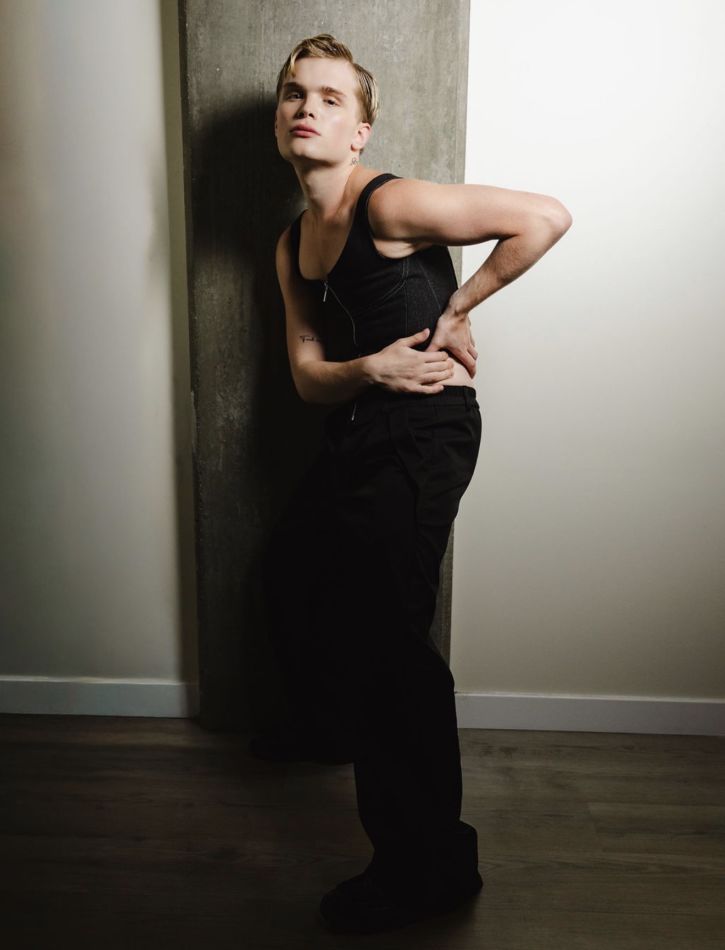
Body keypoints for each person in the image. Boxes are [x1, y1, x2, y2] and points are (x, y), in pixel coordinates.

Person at [256, 33, 572, 935]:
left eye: (329, 98)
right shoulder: (292, 244)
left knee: (387, 641)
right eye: (293, 94)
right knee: (289, 570)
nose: (306, 108)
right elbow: (307, 380)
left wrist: (456, 307)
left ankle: (428, 870)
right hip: (359, 424)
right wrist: (370, 369)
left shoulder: (388, 203)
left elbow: (544, 216)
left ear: (359, 132)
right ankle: (327, 728)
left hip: (425, 434)